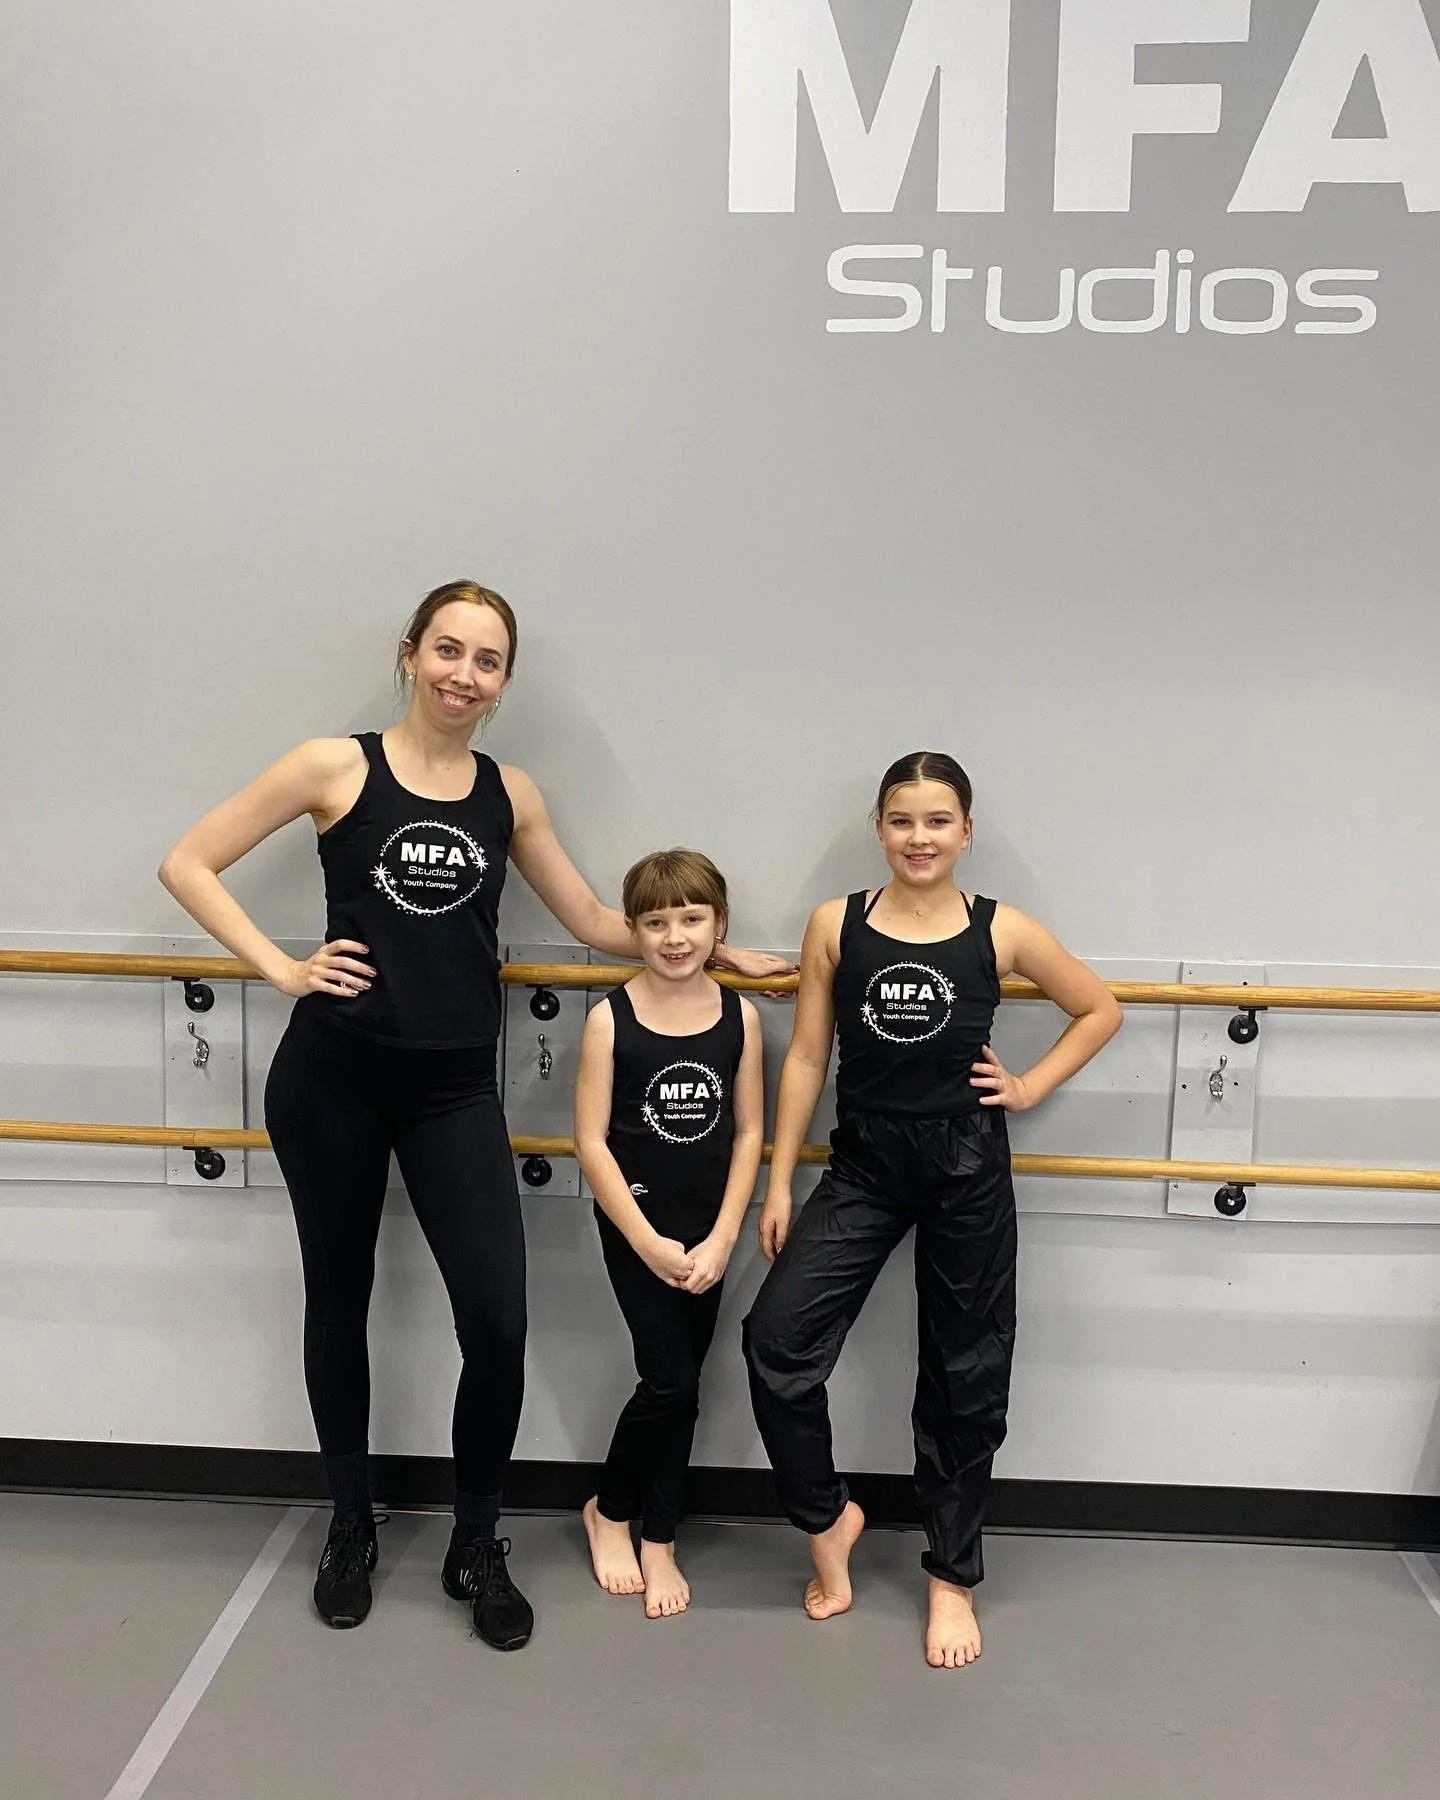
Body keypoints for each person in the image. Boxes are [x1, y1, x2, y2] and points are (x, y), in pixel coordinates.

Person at [157, 580, 789, 1646]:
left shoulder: (510, 793)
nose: (464, 674)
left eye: (487, 660)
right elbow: (188, 861)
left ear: (504, 682)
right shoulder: (333, 766)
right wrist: (281, 967)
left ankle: (476, 1540)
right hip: (331, 1081)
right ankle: (350, 1522)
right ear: (411, 653)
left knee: (497, 1322)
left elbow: (593, 919)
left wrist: (717, 951)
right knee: (338, 1301)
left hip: (452, 1089)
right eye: (448, 649)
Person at [742, 751, 1122, 1669]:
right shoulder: (836, 923)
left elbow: (1098, 1009)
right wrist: (780, 1180)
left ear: (966, 832)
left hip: (965, 1163)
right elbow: (808, 1056)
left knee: (965, 1370)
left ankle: (951, 1578)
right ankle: (828, 1518)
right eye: (903, 820)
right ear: (879, 828)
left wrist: (1027, 1085)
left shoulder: (1002, 929)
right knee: (776, 1339)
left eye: (938, 821)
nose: (920, 837)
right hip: (865, 1163)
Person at [574, 850, 764, 1619]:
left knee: (685, 1387)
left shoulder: (739, 1017)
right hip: (638, 1229)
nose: (675, 937)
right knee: (670, 1382)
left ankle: (660, 1537)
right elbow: (592, 1143)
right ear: (633, 929)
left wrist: (723, 1237)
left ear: (719, 925)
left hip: (708, 1230)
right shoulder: (608, 1020)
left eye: (691, 919)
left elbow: (749, 1132)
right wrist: (648, 1242)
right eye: (656, 923)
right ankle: (613, 1513)